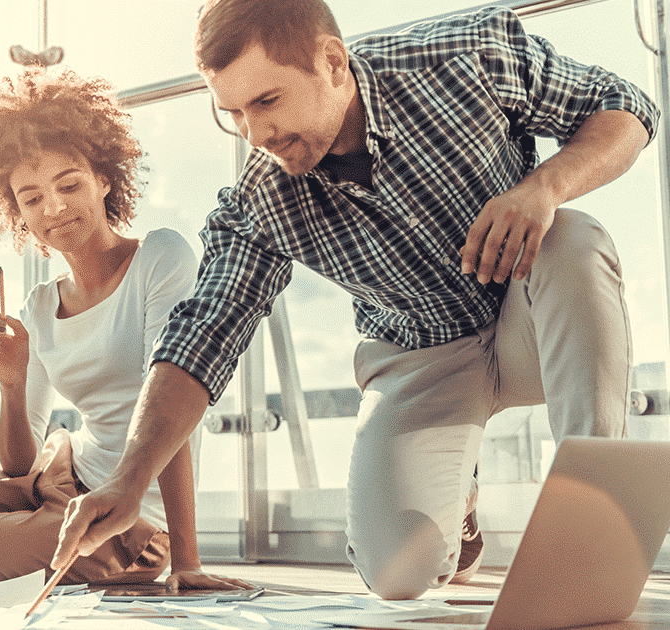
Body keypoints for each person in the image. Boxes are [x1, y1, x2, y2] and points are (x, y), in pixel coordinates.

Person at [51, 0, 659, 600]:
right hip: (419, 350)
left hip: (530, 317)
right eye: (232, 113)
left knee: (574, 239)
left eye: (267, 101)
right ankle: (459, 505)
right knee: (397, 574)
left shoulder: (469, 55)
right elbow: (201, 335)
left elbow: (625, 107)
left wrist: (542, 188)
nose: (256, 134)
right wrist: (128, 484)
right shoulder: (262, 202)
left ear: (333, 63)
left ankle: (592, 508)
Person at [0, 67, 253, 592]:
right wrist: (10, 385)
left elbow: (176, 402)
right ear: (18, 213)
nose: (53, 208)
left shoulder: (161, 257)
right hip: (55, 471)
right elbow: (17, 462)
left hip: (125, 523)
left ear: (104, 179)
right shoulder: (40, 304)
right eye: (31, 198)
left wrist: (185, 562)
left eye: (69, 184)